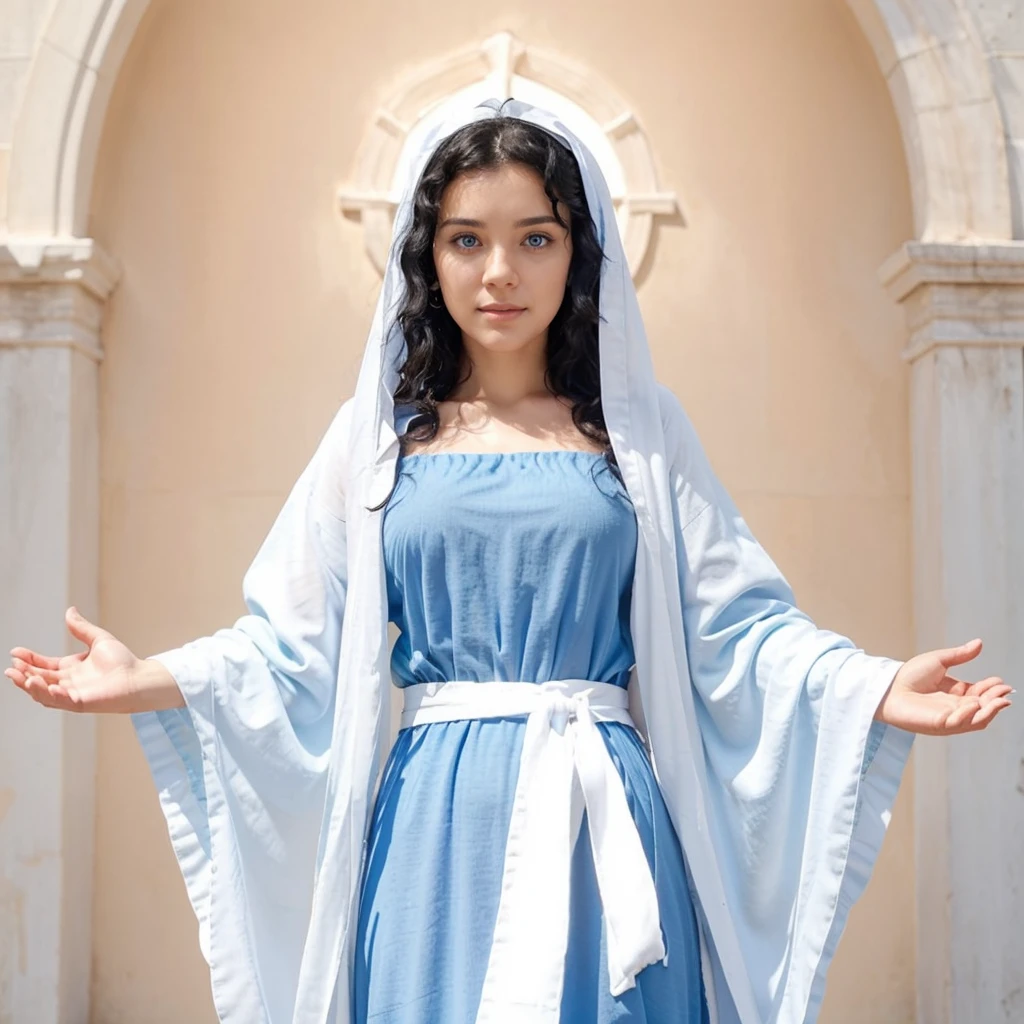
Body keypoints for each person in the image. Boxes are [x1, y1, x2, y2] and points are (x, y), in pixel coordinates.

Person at [5, 98, 1012, 1024]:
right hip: (436, 829)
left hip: (601, 818)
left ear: (579, 252)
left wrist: (870, 687)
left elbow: (737, 628)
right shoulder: (377, 443)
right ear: (426, 258)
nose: (500, 273)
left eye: (535, 238)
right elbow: (287, 643)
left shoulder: (640, 436)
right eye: (466, 240)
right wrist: (152, 678)